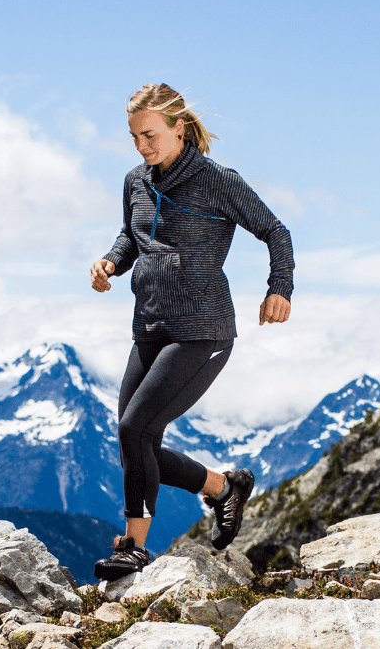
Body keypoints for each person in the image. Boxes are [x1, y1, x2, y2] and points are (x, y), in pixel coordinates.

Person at [90, 83, 294, 581]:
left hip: (203, 331)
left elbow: (276, 231)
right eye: (135, 136)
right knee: (137, 442)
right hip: (150, 326)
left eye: (152, 134)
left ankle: (133, 546)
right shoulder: (135, 181)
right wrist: (111, 263)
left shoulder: (216, 180)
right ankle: (225, 488)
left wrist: (279, 287)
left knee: (135, 428)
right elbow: (131, 236)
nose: (143, 146)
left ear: (179, 127)